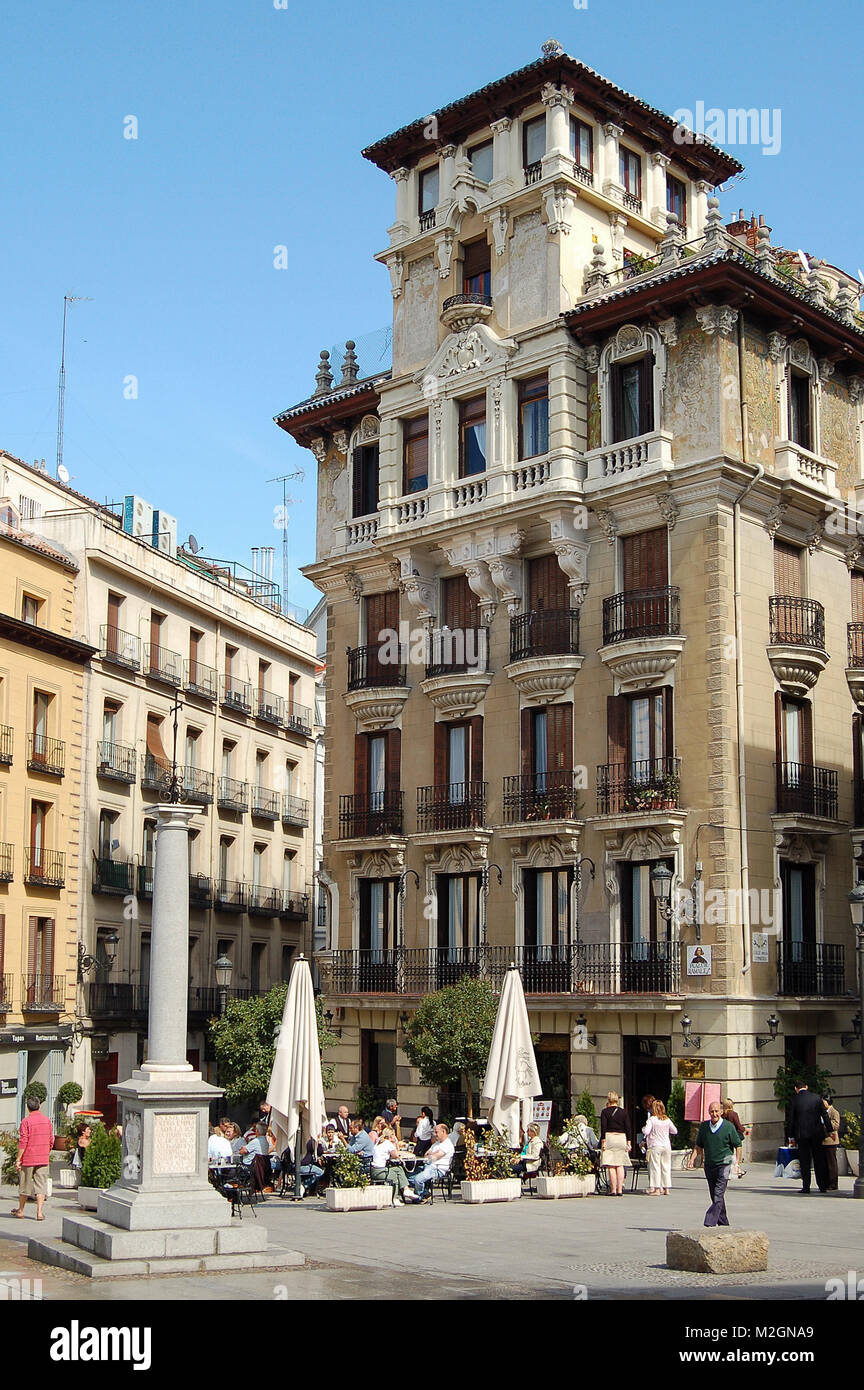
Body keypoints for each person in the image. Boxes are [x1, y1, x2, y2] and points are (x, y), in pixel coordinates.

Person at [688, 1100, 742, 1227]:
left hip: (724, 1164)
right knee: (715, 1195)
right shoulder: (704, 1127)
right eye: (712, 1111)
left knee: (718, 1193)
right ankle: (724, 1223)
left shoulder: (728, 1126)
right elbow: (698, 1146)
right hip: (709, 1165)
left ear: (721, 1112)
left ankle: (710, 1221)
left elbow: (738, 1145)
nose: (714, 1114)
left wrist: (737, 1163)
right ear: (708, 1112)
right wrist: (692, 1159)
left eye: (717, 1111)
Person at [11, 1095, 53, 1221]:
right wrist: (46, 1151)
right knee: (41, 1185)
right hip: (43, 1157)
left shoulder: (26, 1122)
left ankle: (21, 1210)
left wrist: (18, 1158)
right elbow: (51, 1139)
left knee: (25, 1185)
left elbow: (23, 1141)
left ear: (28, 1108)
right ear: (39, 1105)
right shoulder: (47, 1120)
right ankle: (39, 1213)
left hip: (29, 1157)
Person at [788, 1082, 831, 1195]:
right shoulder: (817, 1098)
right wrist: (830, 1130)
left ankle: (806, 1186)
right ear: (806, 1087)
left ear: (796, 1088)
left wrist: (790, 1135)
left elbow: (790, 1119)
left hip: (802, 1135)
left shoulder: (794, 1099)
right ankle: (822, 1186)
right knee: (819, 1160)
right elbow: (825, 1115)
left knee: (805, 1161)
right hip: (816, 1134)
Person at [404, 1123, 455, 1203]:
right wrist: (432, 1154)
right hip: (428, 1165)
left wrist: (432, 1154)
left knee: (418, 1179)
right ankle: (425, 1194)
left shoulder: (447, 1145)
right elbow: (426, 1155)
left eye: (436, 1132)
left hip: (437, 1169)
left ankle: (419, 1197)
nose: (435, 1134)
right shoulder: (436, 1144)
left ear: (443, 1132)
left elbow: (435, 1157)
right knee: (407, 1176)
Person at [599, 1091, 631, 1196]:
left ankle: (613, 1190)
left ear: (608, 1099)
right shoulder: (624, 1112)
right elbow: (628, 1127)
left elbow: (603, 1127)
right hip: (621, 1138)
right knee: (620, 1164)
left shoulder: (605, 1112)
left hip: (610, 1137)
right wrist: (628, 1142)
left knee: (611, 1165)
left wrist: (603, 1141)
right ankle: (620, 1189)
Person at [642, 1100, 678, 1195]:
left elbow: (646, 1131)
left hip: (655, 1145)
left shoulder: (652, 1120)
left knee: (655, 1167)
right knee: (666, 1167)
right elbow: (675, 1131)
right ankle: (666, 1188)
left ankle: (657, 1189)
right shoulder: (667, 1120)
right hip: (666, 1145)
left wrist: (643, 1128)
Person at [370, 1126, 410, 1203]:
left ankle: (404, 1191)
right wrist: (395, 1142)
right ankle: (400, 1194)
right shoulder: (388, 1143)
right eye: (394, 1135)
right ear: (390, 1136)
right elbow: (396, 1155)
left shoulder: (378, 1142)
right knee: (398, 1169)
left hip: (374, 1171)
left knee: (396, 1170)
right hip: (381, 1172)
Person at [722, 1097, 747, 1178]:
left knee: (728, 1153)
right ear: (731, 1105)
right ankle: (736, 1169)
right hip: (733, 1137)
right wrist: (746, 1129)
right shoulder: (733, 1114)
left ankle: (729, 1170)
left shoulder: (722, 1115)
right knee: (737, 1152)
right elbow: (739, 1127)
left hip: (725, 1137)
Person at [822, 1096, 841, 1193]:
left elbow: (836, 1125)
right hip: (822, 1140)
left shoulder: (834, 1112)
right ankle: (825, 1182)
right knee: (824, 1163)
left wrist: (825, 1123)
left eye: (823, 1101)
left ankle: (833, 1183)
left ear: (827, 1102)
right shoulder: (822, 1112)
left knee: (831, 1163)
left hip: (831, 1140)